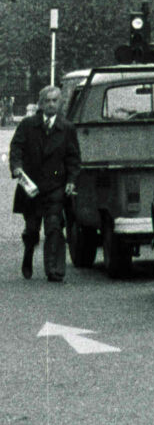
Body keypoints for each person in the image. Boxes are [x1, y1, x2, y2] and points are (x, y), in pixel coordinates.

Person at [10, 85, 80, 282]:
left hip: (55, 186)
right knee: (32, 228)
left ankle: (54, 269)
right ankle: (28, 253)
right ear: (41, 104)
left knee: (54, 227)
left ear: (60, 103)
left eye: (54, 100)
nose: (51, 104)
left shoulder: (67, 129)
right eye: (47, 101)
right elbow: (16, 148)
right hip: (30, 186)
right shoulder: (28, 125)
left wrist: (72, 181)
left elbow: (74, 159)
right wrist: (16, 167)